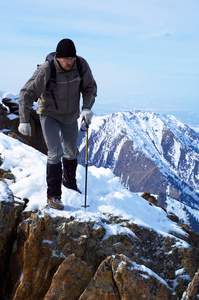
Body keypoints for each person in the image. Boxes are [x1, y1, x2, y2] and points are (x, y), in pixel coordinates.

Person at [18, 38, 97, 210]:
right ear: (58, 58)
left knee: (71, 152)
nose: (70, 62)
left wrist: (86, 108)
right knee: (55, 153)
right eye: (66, 58)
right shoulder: (47, 69)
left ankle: (70, 184)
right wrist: (24, 120)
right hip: (49, 114)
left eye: (72, 58)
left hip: (70, 116)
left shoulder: (81, 65)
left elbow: (90, 87)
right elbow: (26, 93)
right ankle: (54, 196)